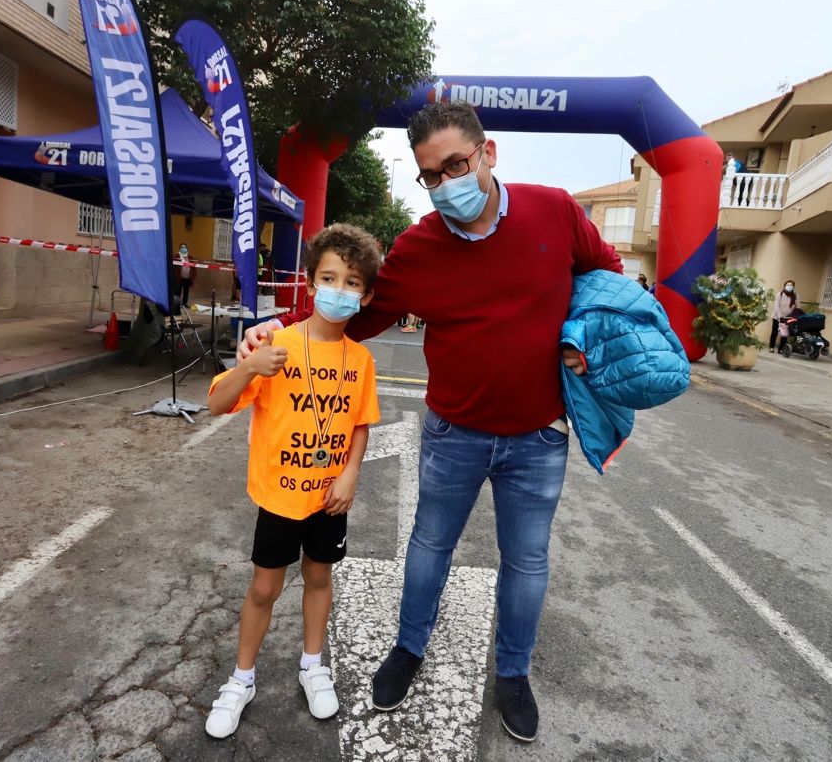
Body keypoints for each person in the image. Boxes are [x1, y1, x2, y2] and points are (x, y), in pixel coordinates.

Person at [240, 101, 622, 742]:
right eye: (431, 175)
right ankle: (408, 649)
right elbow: (352, 318)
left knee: (526, 563)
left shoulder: (555, 210)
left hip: (538, 437)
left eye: (456, 165)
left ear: (488, 154)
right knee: (428, 547)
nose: (447, 183)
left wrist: (582, 340)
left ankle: (514, 674)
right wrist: (276, 332)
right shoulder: (418, 248)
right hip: (454, 433)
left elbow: (607, 276)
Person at [203, 224, 381, 739]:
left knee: (320, 579)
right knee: (264, 587)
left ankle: (312, 664)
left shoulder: (361, 360)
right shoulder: (275, 344)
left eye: (352, 282)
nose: (339, 290)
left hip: (330, 499)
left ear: (365, 295)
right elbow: (216, 404)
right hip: (279, 497)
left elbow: (361, 423)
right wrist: (251, 367)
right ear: (308, 283)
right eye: (329, 277)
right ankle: (242, 678)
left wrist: (350, 472)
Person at [769, 279, 799, 353]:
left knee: (784, 334)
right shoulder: (780, 294)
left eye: (791, 285)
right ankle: (771, 347)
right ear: (785, 286)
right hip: (777, 317)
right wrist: (780, 316)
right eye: (788, 285)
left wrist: (796, 315)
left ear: (793, 287)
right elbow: (776, 305)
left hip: (788, 318)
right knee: (774, 332)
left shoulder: (795, 296)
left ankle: (781, 349)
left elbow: (798, 307)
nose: (789, 286)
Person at [174, 243, 196, 309]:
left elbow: (193, 267)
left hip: (187, 278)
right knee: (178, 291)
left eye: (185, 247)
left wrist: (193, 276)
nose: (183, 249)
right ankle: (177, 303)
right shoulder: (176, 257)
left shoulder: (190, 258)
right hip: (179, 278)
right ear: (180, 249)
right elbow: (174, 267)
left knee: (186, 291)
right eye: (182, 247)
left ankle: (184, 303)